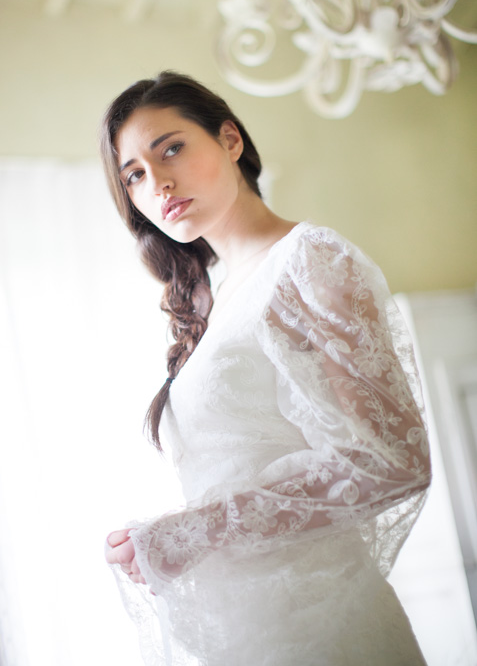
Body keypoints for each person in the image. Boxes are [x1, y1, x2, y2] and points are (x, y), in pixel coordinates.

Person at [101, 71, 431, 666]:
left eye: (171, 147)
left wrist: (194, 533)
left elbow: (392, 461)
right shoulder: (212, 301)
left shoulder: (309, 259)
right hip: (253, 633)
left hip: (331, 632)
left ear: (230, 140)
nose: (159, 183)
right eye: (135, 176)